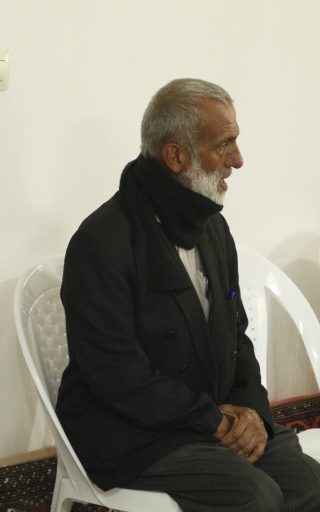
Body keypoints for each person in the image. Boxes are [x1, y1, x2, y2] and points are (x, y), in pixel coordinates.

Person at [56, 78, 320, 511]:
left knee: (310, 483)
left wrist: (251, 412)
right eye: (225, 144)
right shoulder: (100, 242)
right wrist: (214, 420)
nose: (238, 160)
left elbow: (237, 337)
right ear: (176, 156)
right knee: (255, 497)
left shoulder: (212, 228)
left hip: (212, 414)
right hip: (133, 432)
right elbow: (119, 376)